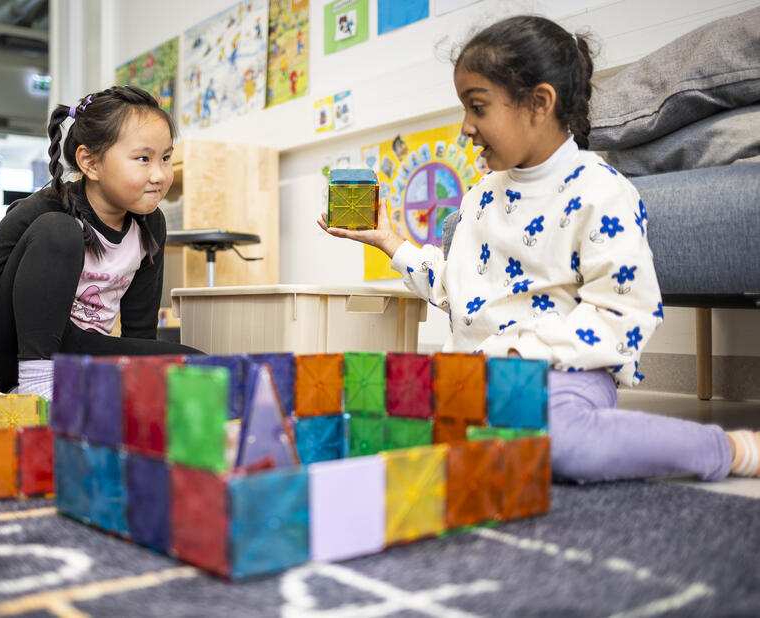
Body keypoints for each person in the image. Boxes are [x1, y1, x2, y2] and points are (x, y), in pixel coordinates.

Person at [318, 16, 760, 482]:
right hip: (475, 379)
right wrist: (390, 241)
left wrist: (517, 357)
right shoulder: (480, 195)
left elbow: (624, 314)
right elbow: (459, 286)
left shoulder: (600, 192)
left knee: (563, 442)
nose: (464, 128)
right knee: (363, 408)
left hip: (564, 375)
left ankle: (728, 449)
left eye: (478, 108)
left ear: (539, 103)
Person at [0, 86, 200, 400]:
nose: (160, 175)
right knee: (60, 229)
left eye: (165, 158)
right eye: (143, 159)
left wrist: (142, 386)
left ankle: (66, 389)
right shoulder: (43, 211)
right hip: (12, 359)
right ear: (90, 163)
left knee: (199, 365)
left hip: (77, 352)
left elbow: (139, 329)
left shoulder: (150, 224)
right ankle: (38, 389)